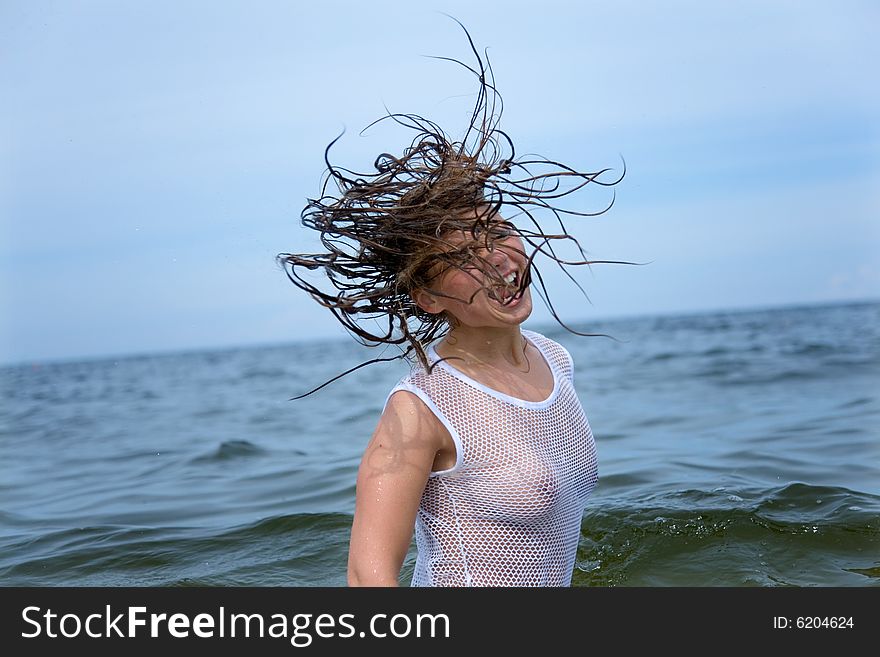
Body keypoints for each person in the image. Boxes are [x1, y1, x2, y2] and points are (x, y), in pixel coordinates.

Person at [278, 22, 628, 586]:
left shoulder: (554, 359)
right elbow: (368, 577)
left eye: (497, 232)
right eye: (466, 257)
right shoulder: (420, 409)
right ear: (426, 296)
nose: (499, 259)